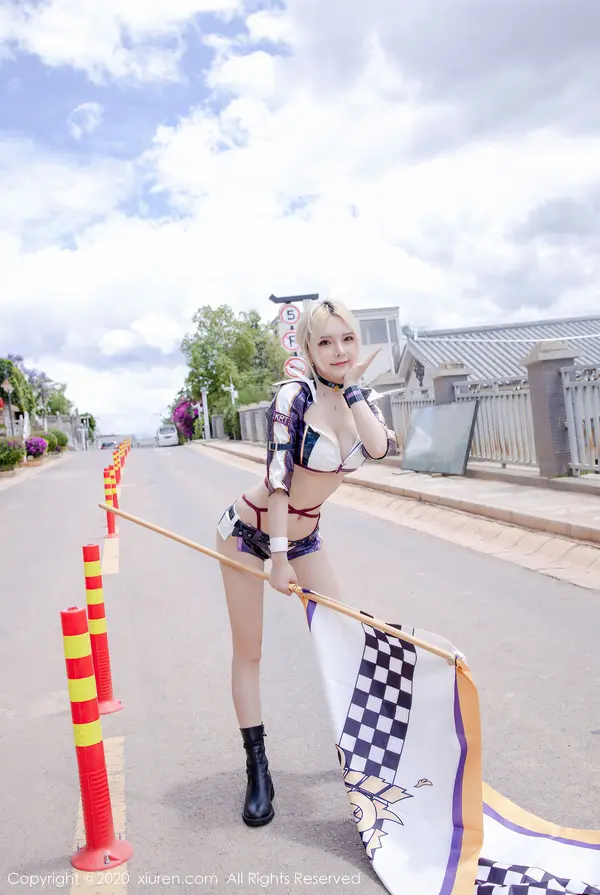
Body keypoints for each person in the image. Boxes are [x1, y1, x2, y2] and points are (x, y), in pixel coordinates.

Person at [215, 298, 396, 827]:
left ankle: (364, 755)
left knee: (346, 638)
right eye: (326, 342)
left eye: (347, 339)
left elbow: (379, 449)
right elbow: (277, 479)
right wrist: (276, 557)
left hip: (307, 537)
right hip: (250, 532)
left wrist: (353, 389)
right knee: (250, 651)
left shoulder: (361, 398)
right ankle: (257, 770)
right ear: (308, 349)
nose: (339, 351)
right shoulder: (292, 397)